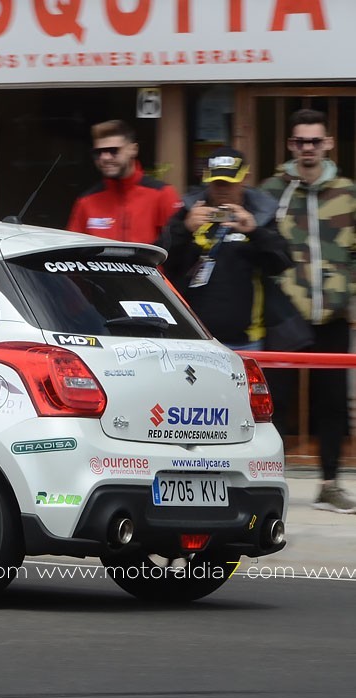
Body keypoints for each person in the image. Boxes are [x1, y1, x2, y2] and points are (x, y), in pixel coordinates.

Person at [260, 108, 356, 514]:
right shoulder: (270, 191)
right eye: (301, 142)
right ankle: (270, 485)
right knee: (274, 401)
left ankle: (330, 485)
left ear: (328, 143)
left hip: (333, 314)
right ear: (290, 145)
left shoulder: (347, 192)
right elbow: (258, 250)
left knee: (331, 402)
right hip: (287, 315)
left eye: (315, 141)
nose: (308, 149)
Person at [161, 147, 292, 351]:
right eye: (216, 182)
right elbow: (161, 260)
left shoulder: (260, 213)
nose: (222, 188)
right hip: (192, 337)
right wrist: (184, 229)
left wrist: (255, 232)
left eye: (229, 182)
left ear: (244, 178)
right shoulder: (190, 211)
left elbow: (281, 262)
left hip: (245, 339)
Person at [67, 119, 182, 244]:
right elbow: (72, 252)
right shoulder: (86, 201)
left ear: (133, 149)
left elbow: (177, 249)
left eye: (113, 151)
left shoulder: (162, 194)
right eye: (98, 152)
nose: (105, 157)